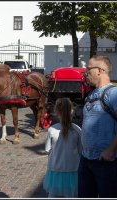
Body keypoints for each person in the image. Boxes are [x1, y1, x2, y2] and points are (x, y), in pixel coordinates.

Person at [78, 55, 117, 197]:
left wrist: (110, 151)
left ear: (99, 70)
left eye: (88, 69)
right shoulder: (91, 94)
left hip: (105, 162)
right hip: (86, 160)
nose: (86, 73)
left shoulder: (113, 94)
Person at [43, 98, 82, 198]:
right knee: (71, 195)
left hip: (55, 168)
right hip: (72, 169)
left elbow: (47, 149)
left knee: (53, 195)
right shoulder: (77, 130)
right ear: (72, 111)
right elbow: (81, 150)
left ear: (56, 112)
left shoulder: (51, 130)